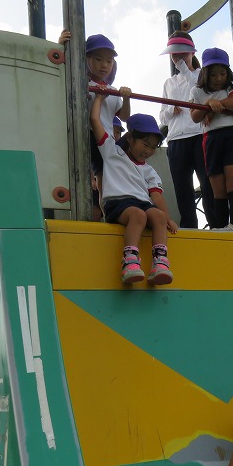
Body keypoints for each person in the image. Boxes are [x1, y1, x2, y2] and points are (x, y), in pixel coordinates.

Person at [90, 93, 178, 285]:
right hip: (117, 202)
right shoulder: (112, 152)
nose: (148, 151)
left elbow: (156, 196)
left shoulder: (149, 171)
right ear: (130, 138)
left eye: (153, 147)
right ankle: (129, 262)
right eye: (145, 144)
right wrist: (99, 98)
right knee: (139, 216)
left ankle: (160, 263)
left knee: (158, 217)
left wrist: (168, 217)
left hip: (141, 203)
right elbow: (95, 120)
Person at [59, 31, 132, 220]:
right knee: (81, 177)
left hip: (105, 140)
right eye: (98, 59)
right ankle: (83, 216)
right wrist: (61, 46)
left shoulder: (113, 91)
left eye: (109, 61)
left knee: (103, 183)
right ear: (86, 58)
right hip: (84, 135)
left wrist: (126, 98)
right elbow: (60, 69)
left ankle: (107, 216)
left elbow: (124, 117)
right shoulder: (78, 80)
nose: (104, 65)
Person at [159, 31, 216, 229]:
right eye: (175, 54)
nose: (178, 58)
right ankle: (189, 226)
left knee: (208, 183)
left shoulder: (202, 75)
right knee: (182, 188)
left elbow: (199, 91)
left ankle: (215, 224)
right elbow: (162, 117)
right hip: (175, 138)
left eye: (183, 53)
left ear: (192, 53)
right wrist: (170, 109)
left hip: (200, 134)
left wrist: (184, 68)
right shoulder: (169, 83)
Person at [190, 48, 233, 231]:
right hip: (210, 139)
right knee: (218, 189)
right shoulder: (197, 92)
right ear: (205, 74)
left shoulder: (231, 87)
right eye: (213, 75)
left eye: (222, 73)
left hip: (231, 136)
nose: (218, 78)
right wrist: (207, 105)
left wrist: (215, 106)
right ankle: (221, 227)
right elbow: (195, 116)